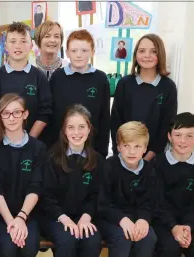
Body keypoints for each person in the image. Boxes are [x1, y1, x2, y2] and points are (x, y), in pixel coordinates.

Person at [39, 104, 103, 257]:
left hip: (83, 216)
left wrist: (86, 217)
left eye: (81, 127)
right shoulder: (51, 158)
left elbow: (97, 195)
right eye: (71, 127)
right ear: (64, 131)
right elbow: (46, 197)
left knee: (92, 239)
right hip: (55, 217)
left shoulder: (97, 160)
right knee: (68, 239)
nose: (76, 132)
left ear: (89, 129)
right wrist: (64, 219)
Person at [0, 93, 46, 257]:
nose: (11, 118)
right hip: (0, 214)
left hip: (28, 213)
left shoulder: (38, 148)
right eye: (5, 113)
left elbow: (36, 187)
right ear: (0, 116)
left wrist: (21, 217)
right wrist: (10, 221)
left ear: (25, 114)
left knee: (28, 247)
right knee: (8, 247)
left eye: (16, 112)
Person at [111, 33, 178, 160]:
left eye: (153, 51)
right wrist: (120, 152)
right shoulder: (125, 84)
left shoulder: (168, 87)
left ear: (160, 55)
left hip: (153, 158)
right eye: (142, 51)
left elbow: (167, 125)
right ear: (136, 55)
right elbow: (116, 120)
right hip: (124, 156)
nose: (147, 55)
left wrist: (150, 155)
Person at [44, 29, 110, 157]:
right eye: (74, 51)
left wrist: (102, 152)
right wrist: (50, 148)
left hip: (91, 149)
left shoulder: (100, 79)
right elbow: (50, 114)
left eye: (84, 51)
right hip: (60, 149)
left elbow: (105, 118)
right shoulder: (58, 77)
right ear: (67, 53)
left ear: (92, 52)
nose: (79, 55)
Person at [97, 121, 158, 257]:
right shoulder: (109, 166)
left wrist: (143, 219)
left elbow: (150, 202)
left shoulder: (149, 170)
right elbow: (103, 204)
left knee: (148, 237)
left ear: (145, 148)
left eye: (137, 146)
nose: (132, 151)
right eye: (126, 146)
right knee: (122, 237)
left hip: (137, 219)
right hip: (110, 219)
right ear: (118, 147)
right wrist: (122, 219)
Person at [0, 22, 52, 141]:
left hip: (31, 145)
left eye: (23, 41)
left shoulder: (39, 77)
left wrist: (28, 142)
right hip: (1, 144)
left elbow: (45, 113)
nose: (18, 46)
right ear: (6, 46)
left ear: (31, 45)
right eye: (13, 41)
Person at [152, 112, 194, 257]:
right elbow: (157, 201)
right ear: (169, 137)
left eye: (189, 135)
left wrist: (188, 226)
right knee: (170, 249)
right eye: (178, 135)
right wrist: (173, 226)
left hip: (190, 222)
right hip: (163, 223)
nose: (183, 141)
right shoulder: (158, 164)